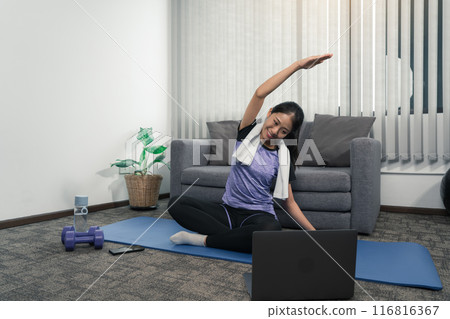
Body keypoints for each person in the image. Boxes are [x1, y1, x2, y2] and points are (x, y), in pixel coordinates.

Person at [168, 54, 333, 253]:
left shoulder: (283, 157)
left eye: (283, 131)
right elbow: (259, 94)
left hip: (257, 216)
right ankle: (237, 239)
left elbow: (288, 203)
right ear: (270, 112)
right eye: (275, 122)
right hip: (227, 212)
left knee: (271, 231)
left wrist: (316, 234)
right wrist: (297, 66)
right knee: (176, 203)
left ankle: (202, 240)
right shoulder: (247, 132)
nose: (274, 131)